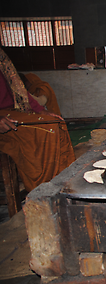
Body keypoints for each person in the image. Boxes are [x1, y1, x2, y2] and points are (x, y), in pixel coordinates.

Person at [0, 47, 75, 192]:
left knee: (57, 123)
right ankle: (42, 190)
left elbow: (18, 89)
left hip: (14, 111)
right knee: (47, 130)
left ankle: (63, 184)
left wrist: (41, 110)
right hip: (4, 117)